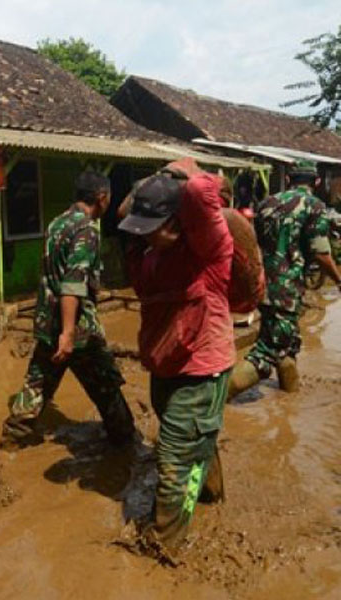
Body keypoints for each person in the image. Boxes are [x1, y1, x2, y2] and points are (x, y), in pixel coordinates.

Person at [118, 172, 233, 553]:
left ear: (178, 221)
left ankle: (166, 546)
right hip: (165, 364)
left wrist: (171, 170)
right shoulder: (149, 257)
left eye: (155, 228)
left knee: (170, 456)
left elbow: (203, 189)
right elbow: (124, 215)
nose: (146, 236)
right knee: (193, 440)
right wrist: (143, 193)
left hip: (202, 366)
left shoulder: (209, 251)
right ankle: (211, 496)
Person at [0, 171, 136, 451]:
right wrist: (69, 332)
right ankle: (125, 445)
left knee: (38, 382)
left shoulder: (56, 223)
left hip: (47, 321)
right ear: (101, 198)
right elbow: (73, 283)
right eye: (109, 197)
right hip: (77, 328)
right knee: (106, 385)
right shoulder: (87, 230)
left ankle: (14, 436)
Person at [229, 160, 341, 397]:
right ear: (317, 182)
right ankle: (210, 405)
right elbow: (321, 254)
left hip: (263, 286)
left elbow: (252, 242)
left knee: (286, 345)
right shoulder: (314, 206)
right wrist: (339, 280)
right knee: (266, 354)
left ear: (289, 179)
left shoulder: (267, 203)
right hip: (287, 291)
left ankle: (290, 401)